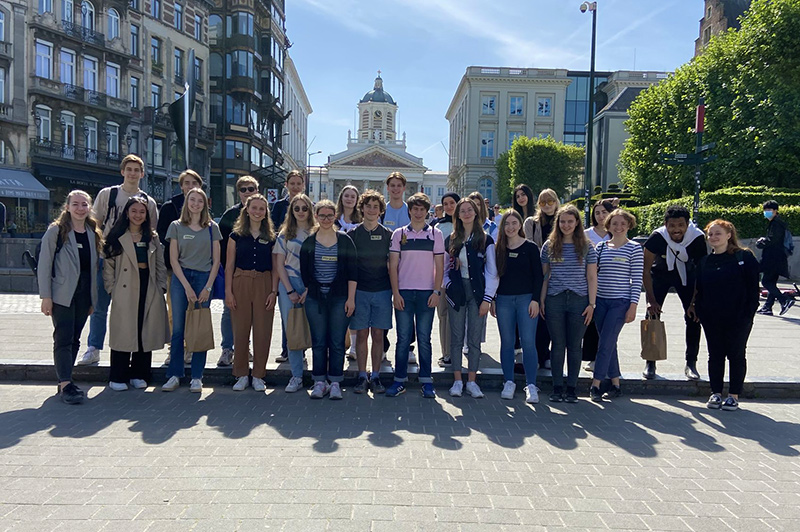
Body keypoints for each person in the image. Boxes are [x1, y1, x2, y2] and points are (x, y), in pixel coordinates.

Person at [77, 155, 158, 367]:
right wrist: (99, 250)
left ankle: (131, 348)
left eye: (136, 170)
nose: (132, 173)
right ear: (122, 171)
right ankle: (94, 347)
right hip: (107, 257)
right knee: (99, 305)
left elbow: (151, 231)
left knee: (133, 309)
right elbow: (94, 224)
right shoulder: (108, 194)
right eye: (129, 169)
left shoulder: (148, 201)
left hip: (134, 262)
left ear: (142, 174)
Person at [38, 190, 101, 404]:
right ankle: (66, 384)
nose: (80, 208)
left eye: (84, 204)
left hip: (84, 293)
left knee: (75, 338)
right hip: (62, 294)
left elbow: (93, 268)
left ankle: (66, 379)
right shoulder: (56, 231)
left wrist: (92, 299)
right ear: (67, 207)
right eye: (75, 204)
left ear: (89, 207)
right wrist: (46, 296)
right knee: (63, 338)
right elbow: (44, 265)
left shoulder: (92, 232)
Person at [689, 220, 759, 411]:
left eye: (718, 233)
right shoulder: (705, 262)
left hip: (739, 317)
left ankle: (734, 395)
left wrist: (749, 313)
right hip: (712, 317)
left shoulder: (744, 257)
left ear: (729, 235)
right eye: (710, 234)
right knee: (715, 354)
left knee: (736, 354)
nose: (713, 237)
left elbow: (753, 288)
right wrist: (700, 310)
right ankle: (716, 393)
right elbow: (700, 289)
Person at [103, 197, 169, 391]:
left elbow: (160, 264)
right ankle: (118, 376)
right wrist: (112, 288)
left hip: (148, 285)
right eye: (134, 211)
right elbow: (108, 266)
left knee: (144, 330)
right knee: (124, 331)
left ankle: (140, 374)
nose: (138, 215)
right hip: (124, 288)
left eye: (142, 212)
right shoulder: (116, 236)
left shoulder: (152, 237)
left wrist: (161, 287)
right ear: (127, 213)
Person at [163, 188, 222, 393]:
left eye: (200, 201)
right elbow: (173, 260)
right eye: (192, 200)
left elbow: (216, 261)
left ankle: (197, 376)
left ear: (205, 204)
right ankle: (174, 374)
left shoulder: (212, 228)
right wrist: (186, 286)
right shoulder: (176, 226)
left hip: (204, 278)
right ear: (187, 202)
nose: (196, 204)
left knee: (199, 328)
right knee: (178, 329)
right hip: (181, 278)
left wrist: (208, 287)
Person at [386, 192, 444, 398]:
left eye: (422, 209)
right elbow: (393, 266)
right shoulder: (399, 234)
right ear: (409, 211)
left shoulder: (435, 234)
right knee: (403, 339)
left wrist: (436, 291)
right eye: (415, 209)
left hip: (427, 293)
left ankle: (426, 381)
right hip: (404, 292)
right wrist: (395, 293)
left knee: (424, 338)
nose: (418, 213)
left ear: (427, 212)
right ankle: (399, 380)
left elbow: (440, 265)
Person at [299, 200, 358, 400]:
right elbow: (305, 271)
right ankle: (319, 381)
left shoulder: (344, 240)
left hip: (340, 297)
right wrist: (309, 289)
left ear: (335, 217)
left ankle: (335, 381)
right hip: (316, 297)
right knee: (318, 341)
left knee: (337, 341)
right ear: (316, 216)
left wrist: (351, 299)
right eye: (322, 215)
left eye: (329, 216)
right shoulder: (309, 242)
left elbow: (352, 272)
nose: (326, 219)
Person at [642, 205, 707, 380]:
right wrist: (650, 299)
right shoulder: (658, 237)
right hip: (660, 273)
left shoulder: (697, 237)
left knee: (694, 317)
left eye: (680, 225)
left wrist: (694, 301)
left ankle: (691, 363)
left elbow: (701, 271)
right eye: (672, 225)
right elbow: (645, 269)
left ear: (687, 224)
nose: (676, 230)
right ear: (665, 224)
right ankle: (650, 362)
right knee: (652, 316)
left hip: (687, 275)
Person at [540, 205, 597, 404]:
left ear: (577, 223)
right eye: (562, 221)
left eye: (570, 221)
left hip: (579, 300)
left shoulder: (587, 246)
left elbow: (592, 277)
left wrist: (592, 304)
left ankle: (571, 388)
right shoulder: (549, 245)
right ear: (557, 223)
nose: (566, 225)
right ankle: (557, 387)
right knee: (557, 345)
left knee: (574, 346)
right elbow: (545, 276)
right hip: (554, 299)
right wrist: (542, 300)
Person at [444, 198, 498, 398]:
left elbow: (492, 272)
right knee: (456, 337)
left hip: (478, 293)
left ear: (476, 212)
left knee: (474, 339)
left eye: (470, 210)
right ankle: (458, 380)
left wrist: (487, 299)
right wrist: (448, 285)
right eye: (462, 211)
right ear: (457, 215)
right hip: (457, 292)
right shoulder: (451, 239)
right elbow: (443, 268)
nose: (466, 214)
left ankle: (472, 382)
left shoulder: (485, 239)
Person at [225, 194, 278, 392]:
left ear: (266, 213)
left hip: (264, 282)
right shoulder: (235, 236)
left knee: (263, 331)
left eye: (261, 209)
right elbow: (229, 265)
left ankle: (258, 375)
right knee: (240, 330)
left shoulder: (271, 237)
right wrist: (228, 292)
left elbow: (275, 267)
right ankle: (240, 374)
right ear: (247, 210)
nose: (257, 212)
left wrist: (273, 291)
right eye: (254, 208)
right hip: (241, 281)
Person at [590, 208, 643, 401]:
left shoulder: (635, 248)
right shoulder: (601, 247)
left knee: (604, 344)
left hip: (619, 303)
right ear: (608, 226)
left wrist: (633, 305)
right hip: (600, 302)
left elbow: (637, 280)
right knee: (609, 343)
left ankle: (596, 384)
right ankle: (615, 384)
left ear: (629, 225)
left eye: (623, 223)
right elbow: (593, 274)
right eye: (614, 223)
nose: (618, 227)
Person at [492, 210, 543, 402]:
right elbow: (493, 276)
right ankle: (509, 381)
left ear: (520, 224)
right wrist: (493, 299)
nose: (510, 227)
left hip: (526, 300)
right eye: (507, 224)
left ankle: (531, 384)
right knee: (507, 342)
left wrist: (536, 300)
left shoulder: (530, 247)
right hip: (504, 300)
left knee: (528, 342)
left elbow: (538, 276)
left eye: (514, 223)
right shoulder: (498, 249)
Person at [347, 190, 393, 394]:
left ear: (381, 210)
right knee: (361, 334)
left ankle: (375, 376)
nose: (372, 210)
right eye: (368, 206)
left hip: (382, 291)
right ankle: (361, 376)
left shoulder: (389, 235)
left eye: (376, 206)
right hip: (360, 292)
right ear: (362, 208)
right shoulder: (352, 235)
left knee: (378, 334)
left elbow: (394, 265)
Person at [274, 194, 316, 393]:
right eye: (296, 208)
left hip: (311, 285)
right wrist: (289, 290)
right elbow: (279, 264)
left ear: (310, 210)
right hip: (288, 284)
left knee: (315, 330)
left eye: (304, 208)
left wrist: (309, 288)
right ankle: (296, 375)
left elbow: (319, 263)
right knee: (292, 330)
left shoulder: (317, 233)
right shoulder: (285, 233)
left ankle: (319, 376)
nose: (300, 212)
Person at [156, 170, 203, 342]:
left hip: (197, 265)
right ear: (181, 186)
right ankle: (176, 344)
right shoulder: (169, 207)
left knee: (193, 307)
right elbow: (161, 234)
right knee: (174, 308)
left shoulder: (202, 208)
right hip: (174, 266)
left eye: (194, 183)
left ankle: (190, 343)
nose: (190, 186)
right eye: (187, 183)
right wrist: (178, 244)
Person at [217, 176, 259, 367]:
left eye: (251, 189)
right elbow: (220, 244)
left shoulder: (262, 213)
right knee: (229, 310)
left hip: (257, 273)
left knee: (251, 313)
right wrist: (227, 269)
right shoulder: (230, 215)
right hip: (234, 272)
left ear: (257, 191)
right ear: (238, 193)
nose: (247, 193)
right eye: (243, 190)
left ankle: (244, 347)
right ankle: (227, 349)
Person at [270, 170, 308, 364]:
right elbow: (272, 230)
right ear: (286, 185)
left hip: (304, 274)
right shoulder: (278, 206)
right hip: (284, 260)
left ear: (303, 185)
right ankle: (287, 350)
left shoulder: (309, 209)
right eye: (292, 183)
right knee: (288, 315)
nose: (295, 186)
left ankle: (302, 349)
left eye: (298, 183)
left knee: (303, 317)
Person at [524, 188, 559, 369]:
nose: (547, 205)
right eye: (543, 202)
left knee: (553, 317)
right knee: (538, 316)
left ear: (556, 201)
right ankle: (539, 355)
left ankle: (548, 355)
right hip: (537, 273)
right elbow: (530, 247)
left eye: (550, 201)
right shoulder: (532, 223)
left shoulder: (563, 220)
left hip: (559, 274)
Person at [381, 171, 414, 363]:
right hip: (385, 267)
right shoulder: (382, 211)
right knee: (385, 307)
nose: (395, 189)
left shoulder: (411, 210)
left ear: (404, 188)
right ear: (387, 188)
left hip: (408, 266)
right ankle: (383, 346)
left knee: (407, 307)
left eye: (398, 186)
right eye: (392, 185)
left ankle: (409, 346)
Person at [582, 199, 614, 373]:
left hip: (610, 283)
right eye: (597, 213)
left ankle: (608, 360)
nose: (601, 216)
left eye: (604, 212)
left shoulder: (615, 232)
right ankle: (592, 358)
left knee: (608, 326)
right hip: (590, 282)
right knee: (591, 322)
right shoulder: (586, 234)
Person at [431, 192, 459, 367]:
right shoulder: (438, 227)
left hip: (461, 277)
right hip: (442, 276)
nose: (449, 207)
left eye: (452, 203)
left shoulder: (467, 223)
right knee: (443, 315)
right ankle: (446, 353)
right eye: (445, 204)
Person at [335, 184, 362, 360]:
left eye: (353, 196)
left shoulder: (361, 222)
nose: (349, 199)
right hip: (335, 269)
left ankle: (353, 346)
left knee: (353, 306)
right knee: (338, 308)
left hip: (355, 269)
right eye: (347, 196)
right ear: (341, 198)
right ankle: (339, 343)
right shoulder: (334, 219)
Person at [756, 200, 794, 316]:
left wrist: (761, 242)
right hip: (778, 257)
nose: (766, 212)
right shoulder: (778, 223)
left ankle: (784, 300)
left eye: (769, 210)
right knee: (771, 282)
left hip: (773, 258)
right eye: (765, 210)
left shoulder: (776, 224)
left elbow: (773, 240)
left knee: (766, 281)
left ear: (775, 211)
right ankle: (768, 307)